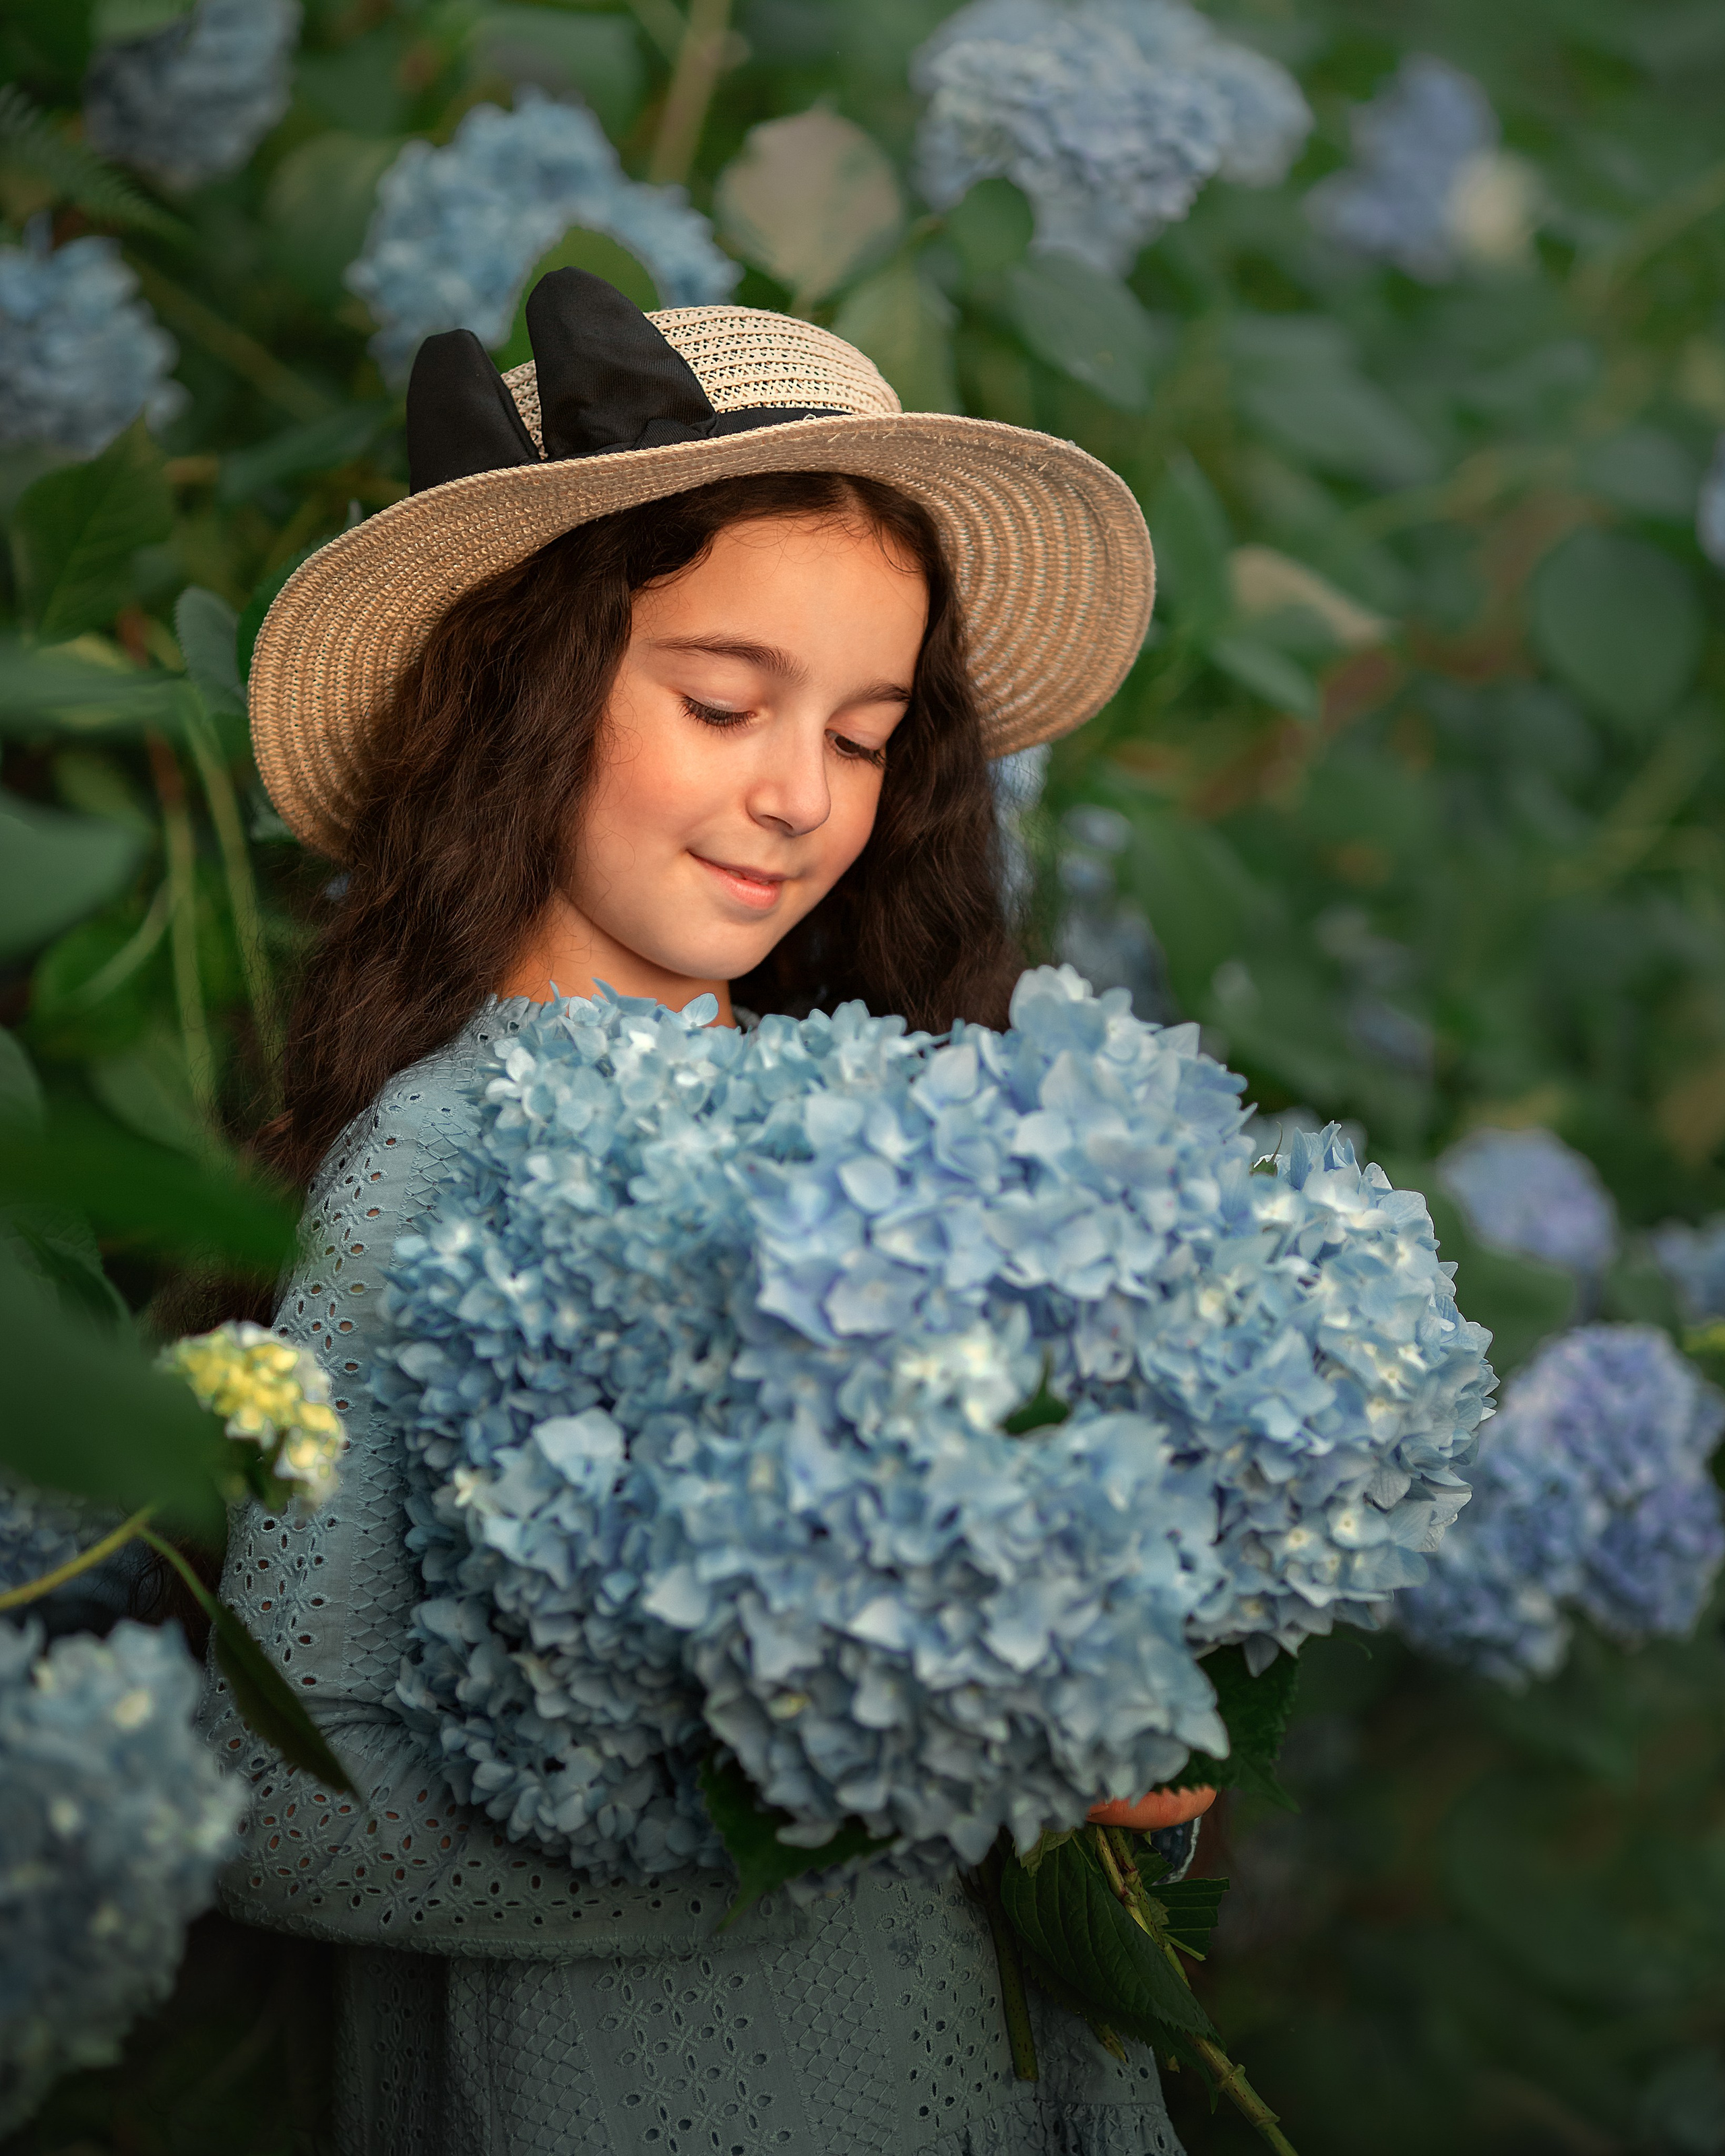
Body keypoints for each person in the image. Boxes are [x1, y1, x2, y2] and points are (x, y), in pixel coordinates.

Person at [208, 269, 1211, 2156]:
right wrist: (806, 1824)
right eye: (728, 700)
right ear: (528, 689)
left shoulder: (908, 1126)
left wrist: (1115, 1721)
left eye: (859, 737)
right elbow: (264, 1802)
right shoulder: (430, 1163)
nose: (794, 798)